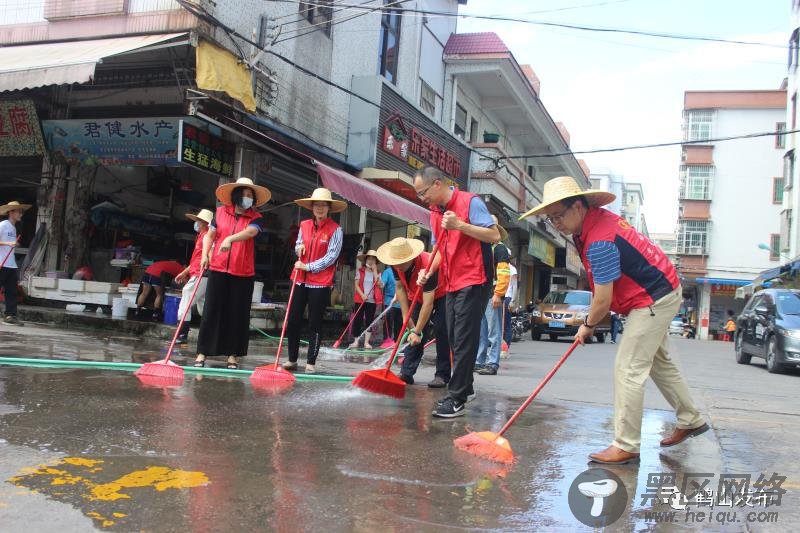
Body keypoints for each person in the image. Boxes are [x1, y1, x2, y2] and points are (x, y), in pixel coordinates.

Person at [521, 175, 707, 465]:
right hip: (658, 290)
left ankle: (627, 444)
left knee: (628, 368)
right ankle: (690, 418)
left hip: (652, 298)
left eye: (558, 215)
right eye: (551, 219)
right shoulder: (590, 226)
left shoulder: (599, 241)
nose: (556, 223)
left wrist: (588, 326)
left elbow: (603, 300)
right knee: (660, 363)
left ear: (579, 207)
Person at [414, 166, 500, 418]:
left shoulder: (470, 202)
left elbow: (494, 235)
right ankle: (467, 387)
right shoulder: (434, 212)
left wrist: (460, 225)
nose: (422, 198)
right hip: (451, 281)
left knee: (463, 338)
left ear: (437, 184)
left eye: (423, 192)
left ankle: (456, 398)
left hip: (475, 278)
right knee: (453, 336)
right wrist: (428, 271)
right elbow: (440, 249)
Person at [193, 177, 270, 369]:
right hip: (218, 268)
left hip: (242, 272)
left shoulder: (256, 218)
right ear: (236, 196)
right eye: (244, 195)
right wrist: (205, 255)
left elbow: (251, 233)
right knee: (211, 310)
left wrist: (229, 239)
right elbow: (209, 236)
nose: (247, 198)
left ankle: (232, 355)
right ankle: (202, 352)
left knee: (237, 313)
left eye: (250, 196)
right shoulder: (219, 213)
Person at [284, 188, 346, 374]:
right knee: (293, 319)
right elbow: (298, 245)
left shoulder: (336, 230)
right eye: (316, 204)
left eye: (323, 205)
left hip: (320, 282)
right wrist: (299, 248)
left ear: (329, 208)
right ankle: (292, 359)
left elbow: (332, 257)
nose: (320, 208)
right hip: (299, 279)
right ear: (312, 207)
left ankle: (311, 361)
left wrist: (309, 267)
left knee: (314, 322)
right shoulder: (303, 225)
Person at [376, 237, 450, 387]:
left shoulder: (427, 266)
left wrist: (417, 331)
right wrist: (406, 317)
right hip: (415, 295)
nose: (399, 265)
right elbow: (400, 288)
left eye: (402, 262)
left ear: (412, 257)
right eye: (396, 263)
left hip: (442, 294)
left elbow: (428, 303)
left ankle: (442, 375)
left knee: (441, 329)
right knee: (411, 332)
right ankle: (407, 373)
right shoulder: (396, 265)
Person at [475, 216, 511, 376]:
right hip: (482, 294)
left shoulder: (499, 248)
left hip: (492, 295)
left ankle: (492, 363)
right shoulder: (485, 246)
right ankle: (479, 361)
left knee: (493, 331)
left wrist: (498, 294)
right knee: (482, 331)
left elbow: (504, 274)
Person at [174, 208, 213, 343]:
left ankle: (182, 335)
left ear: (205, 223)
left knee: (186, 297)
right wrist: (184, 272)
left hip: (202, 274)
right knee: (204, 306)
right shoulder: (201, 236)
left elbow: (209, 256)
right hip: (199, 273)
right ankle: (209, 336)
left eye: (198, 221)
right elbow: (197, 259)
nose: (196, 223)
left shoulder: (208, 236)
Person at [0, 200, 30, 326]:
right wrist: (9, 243)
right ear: (11, 212)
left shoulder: (13, 227)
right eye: (19, 211)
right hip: (2, 262)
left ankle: (10, 315)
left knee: (12, 291)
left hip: (11, 264)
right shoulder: (3, 225)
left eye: (21, 212)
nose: (21, 214)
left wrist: (14, 244)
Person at [349, 249, 382, 349]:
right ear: (366, 260)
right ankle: (356, 341)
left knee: (369, 321)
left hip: (372, 301)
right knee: (357, 320)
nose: (371, 261)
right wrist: (362, 295)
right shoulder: (360, 271)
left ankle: (366, 342)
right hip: (360, 299)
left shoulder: (378, 273)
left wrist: (375, 270)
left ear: (375, 261)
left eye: (373, 259)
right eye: (369, 259)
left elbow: (379, 284)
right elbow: (356, 285)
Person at [380, 262, 402, 344]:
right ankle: (386, 340)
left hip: (401, 302)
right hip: (389, 302)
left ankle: (397, 342)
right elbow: (382, 284)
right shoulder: (388, 272)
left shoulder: (402, 271)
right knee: (388, 322)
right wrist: (379, 282)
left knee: (399, 324)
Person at [502, 257, 518, 358]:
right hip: (499, 297)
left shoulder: (512, 269)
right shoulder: (499, 266)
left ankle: (505, 348)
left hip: (507, 298)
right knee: (499, 324)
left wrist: (513, 300)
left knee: (506, 323)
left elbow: (515, 285)